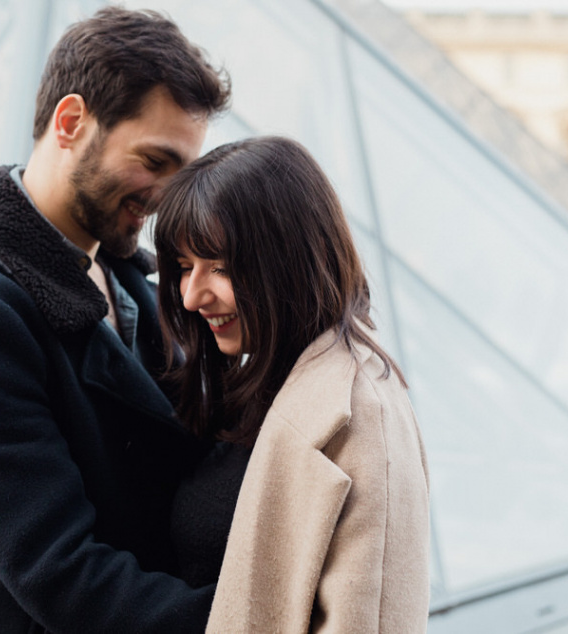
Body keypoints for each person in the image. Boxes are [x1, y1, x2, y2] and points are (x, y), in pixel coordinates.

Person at [0, 7, 230, 632]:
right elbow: (61, 572)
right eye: (154, 161)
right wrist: (256, 616)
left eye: (180, 172)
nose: (167, 198)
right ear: (71, 121)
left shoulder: (131, 278)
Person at [154, 136, 431, 633]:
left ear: (289, 260)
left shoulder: (361, 418)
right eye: (183, 268)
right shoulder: (264, 379)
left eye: (219, 266)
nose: (193, 296)